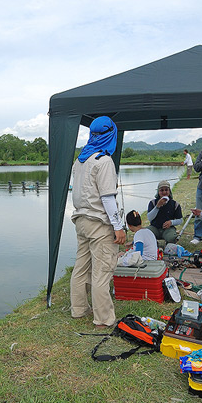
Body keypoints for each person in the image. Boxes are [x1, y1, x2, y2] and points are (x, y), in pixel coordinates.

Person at [70, 116, 126, 329]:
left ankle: (78, 309)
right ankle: (103, 319)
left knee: (81, 266)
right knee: (102, 270)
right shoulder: (104, 161)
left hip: (81, 221)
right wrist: (118, 227)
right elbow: (107, 198)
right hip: (99, 223)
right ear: (111, 134)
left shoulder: (81, 160)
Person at [147, 180, 183, 244]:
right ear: (158, 192)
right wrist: (157, 207)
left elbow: (180, 220)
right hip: (155, 228)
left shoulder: (175, 204)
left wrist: (171, 222)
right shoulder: (152, 203)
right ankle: (154, 245)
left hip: (168, 229)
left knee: (172, 238)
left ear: (169, 191)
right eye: (161, 190)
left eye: (166, 190)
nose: (164, 192)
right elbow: (149, 218)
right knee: (145, 233)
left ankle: (168, 244)